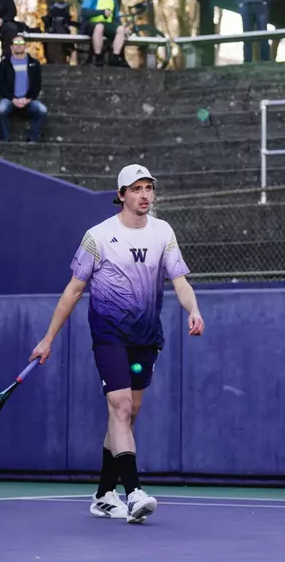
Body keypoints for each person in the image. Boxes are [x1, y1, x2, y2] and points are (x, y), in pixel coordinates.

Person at [30, 164, 204, 523]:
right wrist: (47, 339)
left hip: (146, 337)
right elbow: (73, 290)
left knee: (128, 413)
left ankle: (103, 494)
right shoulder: (98, 236)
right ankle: (134, 492)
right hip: (109, 334)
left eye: (148, 188)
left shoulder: (163, 232)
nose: (144, 194)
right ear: (121, 195)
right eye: (136, 189)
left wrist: (194, 310)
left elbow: (180, 281)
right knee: (121, 406)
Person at [0, 34, 47, 142]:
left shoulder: (34, 63)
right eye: (16, 43)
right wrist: (13, 99)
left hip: (27, 100)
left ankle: (33, 139)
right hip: (10, 99)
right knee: (1, 109)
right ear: (11, 46)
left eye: (21, 43)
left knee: (42, 110)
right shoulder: (4, 64)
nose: (19, 45)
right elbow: (1, 85)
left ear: (25, 46)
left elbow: (37, 85)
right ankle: (5, 139)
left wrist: (28, 99)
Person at [80, 0, 129, 67]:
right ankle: (98, 58)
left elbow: (116, 17)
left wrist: (123, 27)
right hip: (91, 24)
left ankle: (115, 57)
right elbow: (84, 12)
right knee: (99, 26)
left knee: (121, 29)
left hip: (107, 25)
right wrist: (102, 12)